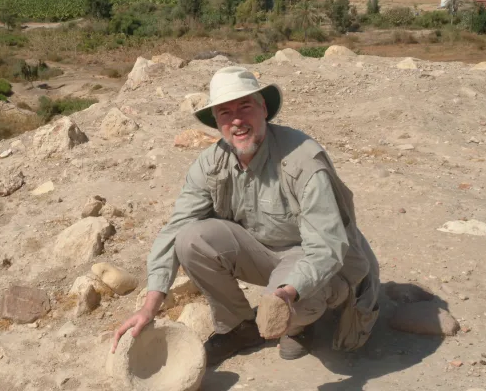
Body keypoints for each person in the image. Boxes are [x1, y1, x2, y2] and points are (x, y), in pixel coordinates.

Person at [111, 66, 380, 365]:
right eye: (225, 112)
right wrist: (150, 307)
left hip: (316, 257)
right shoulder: (212, 163)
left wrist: (286, 294)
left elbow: (327, 249)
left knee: (286, 310)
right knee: (190, 239)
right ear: (216, 121)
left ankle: (301, 325)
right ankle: (239, 328)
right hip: (263, 253)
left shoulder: (303, 160)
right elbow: (176, 228)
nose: (237, 120)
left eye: (245, 107)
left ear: (263, 108)